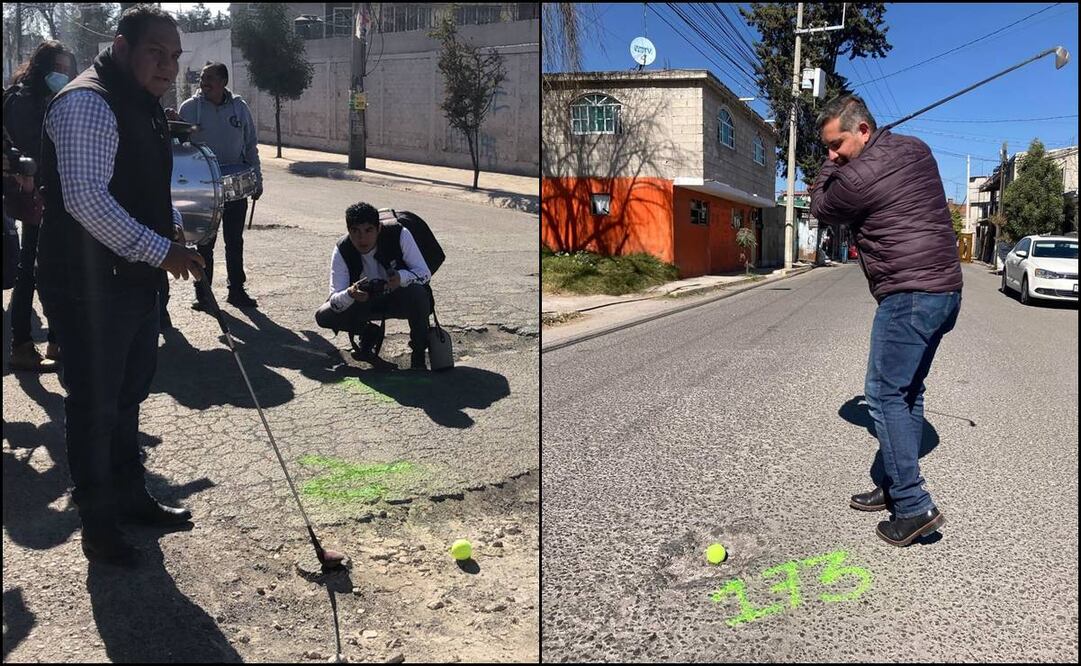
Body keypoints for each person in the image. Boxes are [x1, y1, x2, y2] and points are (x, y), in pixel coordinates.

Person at [36, 5, 207, 567]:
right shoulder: (88, 102)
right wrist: (163, 251)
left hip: (130, 281)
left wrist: (173, 228)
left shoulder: (145, 104)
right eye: (156, 51)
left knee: (128, 395)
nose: (168, 66)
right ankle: (99, 523)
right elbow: (87, 199)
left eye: (175, 56)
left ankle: (132, 497)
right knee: (93, 406)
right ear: (121, 45)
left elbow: (146, 187)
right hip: (84, 286)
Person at [810, 94, 963, 548]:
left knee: (881, 396)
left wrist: (829, 165)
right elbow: (876, 158)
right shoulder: (915, 148)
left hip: (910, 295)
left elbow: (821, 206)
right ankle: (896, 485)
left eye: (835, 144)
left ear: (862, 130)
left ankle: (914, 508)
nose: (833, 154)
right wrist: (857, 150)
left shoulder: (856, 175)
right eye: (828, 149)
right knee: (908, 393)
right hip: (945, 293)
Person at [2, 40, 76, 372]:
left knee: (55, 267)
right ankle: (21, 343)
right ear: (41, 67)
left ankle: (58, 339)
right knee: (30, 269)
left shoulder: (54, 98)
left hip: (57, 192)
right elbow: (30, 148)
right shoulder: (23, 99)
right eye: (56, 68)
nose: (62, 74)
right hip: (36, 192)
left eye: (66, 69)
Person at [172, 61, 262, 312]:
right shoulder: (190, 108)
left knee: (235, 241)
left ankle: (236, 291)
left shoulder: (239, 108)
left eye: (210, 77)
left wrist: (257, 180)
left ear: (223, 82)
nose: (204, 82)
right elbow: (180, 146)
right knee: (204, 243)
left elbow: (250, 144)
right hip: (204, 189)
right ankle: (204, 294)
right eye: (202, 77)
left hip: (235, 186)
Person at [315, 202, 432, 371]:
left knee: (418, 293)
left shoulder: (399, 234)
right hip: (365, 302)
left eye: (368, 230)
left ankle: (419, 355)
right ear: (349, 230)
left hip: (398, 298)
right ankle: (368, 332)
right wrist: (350, 294)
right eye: (355, 231)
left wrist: (401, 278)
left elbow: (424, 273)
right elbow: (334, 299)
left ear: (378, 229)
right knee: (324, 315)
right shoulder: (343, 248)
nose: (362, 238)